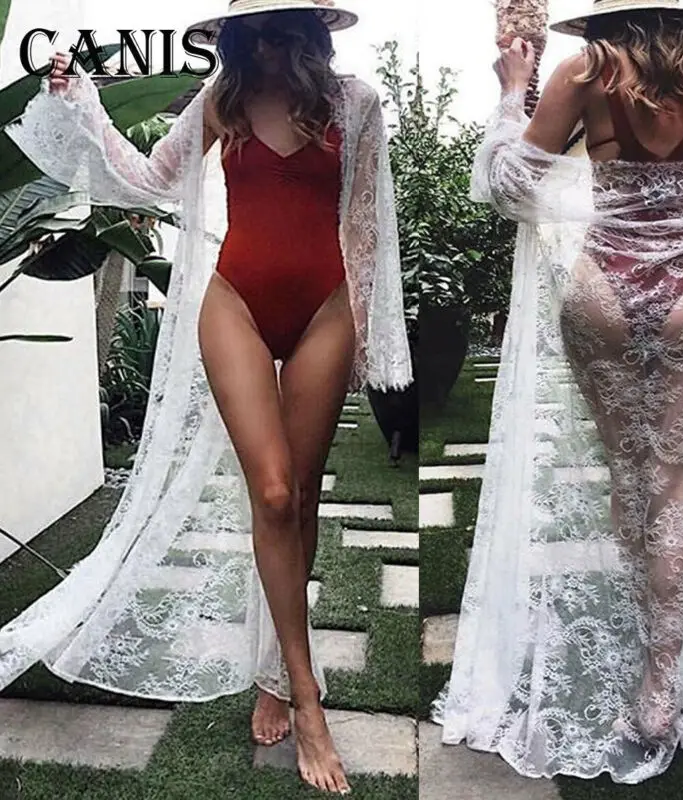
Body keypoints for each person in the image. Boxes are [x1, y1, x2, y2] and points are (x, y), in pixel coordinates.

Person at [0, 0, 412, 794]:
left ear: (305, 29)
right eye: (246, 29)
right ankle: (307, 697)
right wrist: (83, 105)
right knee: (272, 491)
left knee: (301, 500)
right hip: (235, 302)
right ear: (234, 36)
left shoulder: (356, 103)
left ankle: (274, 669)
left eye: (273, 27)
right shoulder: (222, 101)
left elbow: (366, 221)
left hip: (328, 308)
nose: (259, 41)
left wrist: (370, 332)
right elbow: (148, 178)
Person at [433, 0, 683, 785]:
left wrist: (512, 92)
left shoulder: (584, 71)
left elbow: (510, 185)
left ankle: (648, 627)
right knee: (676, 484)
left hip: (601, 290)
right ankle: (660, 688)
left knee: (630, 474)